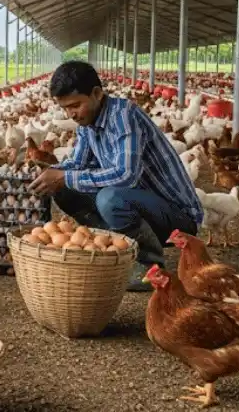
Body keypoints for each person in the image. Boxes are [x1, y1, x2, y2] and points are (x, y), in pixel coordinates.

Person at [28, 61, 203, 291]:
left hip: (176, 215)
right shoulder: (87, 124)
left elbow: (125, 176)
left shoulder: (123, 116)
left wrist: (64, 177)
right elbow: (77, 164)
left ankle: (149, 263)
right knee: (64, 188)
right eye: (65, 108)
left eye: (75, 105)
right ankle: (114, 249)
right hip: (140, 204)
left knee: (109, 199)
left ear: (97, 94)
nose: (71, 114)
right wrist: (48, 173)